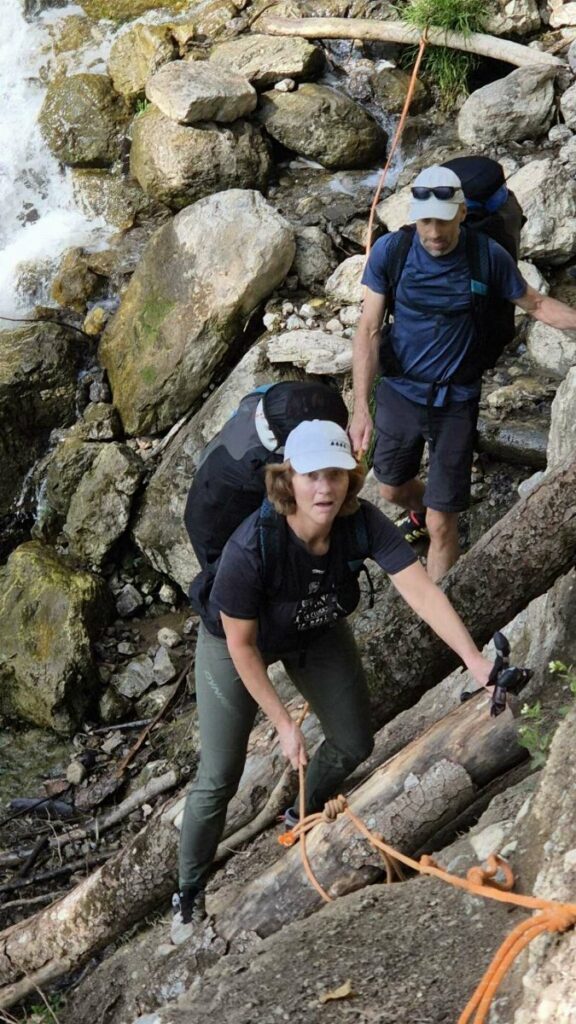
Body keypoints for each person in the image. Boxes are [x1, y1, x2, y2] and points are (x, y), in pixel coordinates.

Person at [173, 419, 497, 937]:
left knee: (352, 740)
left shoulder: (362, 521)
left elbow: (422, 591)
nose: (324, 488)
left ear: (351, 478)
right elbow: (241, 645)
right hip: (236, 644)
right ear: (288, 480)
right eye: (311, 476)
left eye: (336, 474)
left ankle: (299, 811)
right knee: (218, 778)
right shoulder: (249, 550)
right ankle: (188, 890)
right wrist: (282, 723)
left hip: (315, 629)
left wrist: (475, 661)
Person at [350, 164, 576, 582]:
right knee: (390, 488)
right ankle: (429, 506)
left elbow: (537, 304)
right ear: (415, 217)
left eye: (444, 220)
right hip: (400, 391)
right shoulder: (391, 252)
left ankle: (439, 626)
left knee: (442, 524)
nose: (435, 232)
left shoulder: (486, 256)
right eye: (426, 221)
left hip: (455, 401)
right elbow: (368, 329)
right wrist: (360, 409)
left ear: (462, 214)